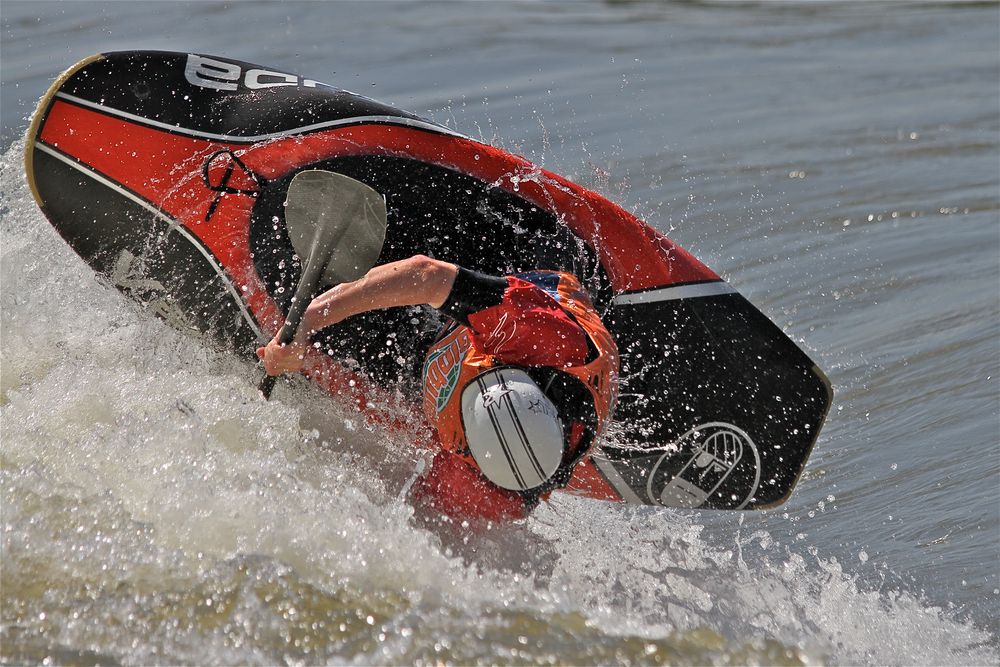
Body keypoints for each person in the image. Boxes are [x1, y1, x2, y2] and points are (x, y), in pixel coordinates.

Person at [257, 255, 619, 522]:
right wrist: (308, 320)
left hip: (430, 361)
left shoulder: (492, 490)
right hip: (511, 288)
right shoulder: (543, 338)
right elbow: (425, 274)